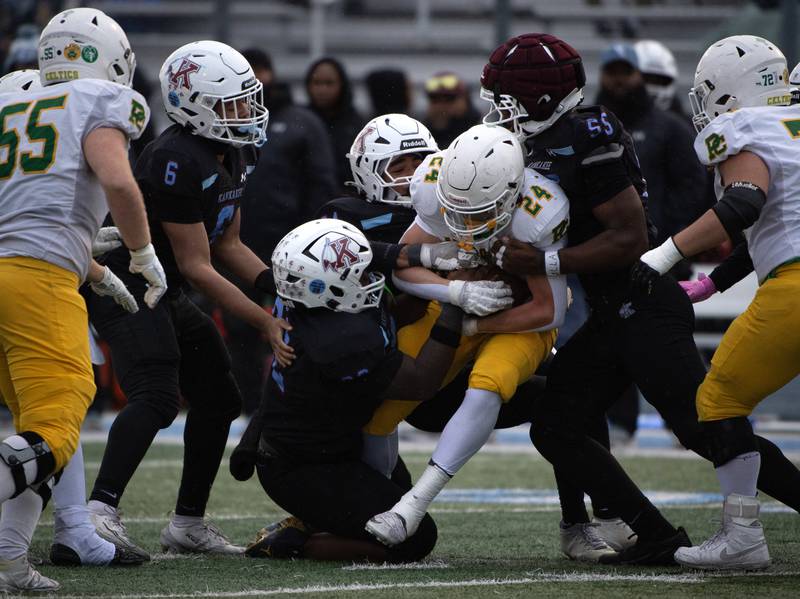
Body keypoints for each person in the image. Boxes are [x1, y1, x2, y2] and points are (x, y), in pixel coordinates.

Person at [481, 32, 800, 565]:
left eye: (507, 96)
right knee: (557, 423)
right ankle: (646, 533)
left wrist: (549, 262)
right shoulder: (533, 141)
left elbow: (630, 238)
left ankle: (718, 535)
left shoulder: (588, 131)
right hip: (614, 308)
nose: (498, 109)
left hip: (643, 300)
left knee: (707, 424)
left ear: (538, 98)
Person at [86, 40, 291, 560]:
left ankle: (186, 523)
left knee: (220, 397)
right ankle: (98, 512)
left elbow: (229, 244)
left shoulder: (236, 148)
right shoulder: (174, 158)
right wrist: (267, 321)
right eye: (233, 105)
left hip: (163, 286)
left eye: (249, 101)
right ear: (192, 106)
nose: (247, 113)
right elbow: (199, 266)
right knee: (157, 393)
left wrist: (282, 288)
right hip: (123, 281)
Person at [0, 7, 165, 591]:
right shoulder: (98, 99)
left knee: (37, 423)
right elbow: (118, 181)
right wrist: (142, 254)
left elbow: (23, 206)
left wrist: (92, 269)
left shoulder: (10, 94)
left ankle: (11, 559)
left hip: (15, 271)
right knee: (59, 425)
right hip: (36, 279)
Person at [365, 125, 580, 552]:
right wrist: (456, 292)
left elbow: (548, 309)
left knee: (488, 384)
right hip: (461, 302)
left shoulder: (540, 212)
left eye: (478, 212)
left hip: (521, 318)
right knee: (381, 401)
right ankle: (370, 504)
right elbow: (402, 267)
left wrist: (475, 325)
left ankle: (410, 506)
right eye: (454, 211)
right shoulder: (430, 184)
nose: (463, 224)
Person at [632, 35, 800, 570]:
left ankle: (742, 537)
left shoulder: (744, 126)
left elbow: (745, 204)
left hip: (795, 291)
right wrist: (711, 285)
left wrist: (660, 257)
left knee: (719, 398)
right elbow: (779, 224)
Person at [243, 218, 466, 563]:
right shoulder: (341, 342)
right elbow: (422, 381)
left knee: (398, 497)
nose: (367, 277)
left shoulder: (305, 291)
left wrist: (427, 255)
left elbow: (376, 260)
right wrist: (455, 305)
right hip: (305, 467)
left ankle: (316, 520)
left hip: (326, 443)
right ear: (324, 286)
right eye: (358, 274)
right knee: (413, 537)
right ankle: (296, 543)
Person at [595, 42, 707, 443]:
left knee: (671, 345)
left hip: (663, 259)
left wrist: (668, 241)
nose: (620, 80)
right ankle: (619, 423)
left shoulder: (668, 128)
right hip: (607, 262)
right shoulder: (588, 130)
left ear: (638, 75)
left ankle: (696, 421)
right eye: (614, 72)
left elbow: (694, 192)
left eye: (627, 72)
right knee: (612, 343)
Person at [305, 56, 365, 193]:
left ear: (342, 85)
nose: (322, 90)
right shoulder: (299, 123)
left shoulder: (357, 126)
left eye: (329, 83)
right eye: (316, 83)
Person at [422, 72, 482, 147]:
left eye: (449, 99)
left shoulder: (482, 132)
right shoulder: (421, 135)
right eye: (435, 99)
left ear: (465, 100)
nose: (441, 105)